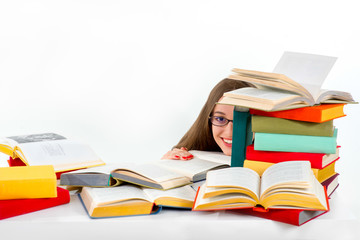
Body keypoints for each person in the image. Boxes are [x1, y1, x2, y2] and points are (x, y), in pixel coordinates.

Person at [162, 78, 252, 160]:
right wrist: (166, 165)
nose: (229, 132)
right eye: (220, 119)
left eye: (241, 120)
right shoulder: (190, 152)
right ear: (208, 120)